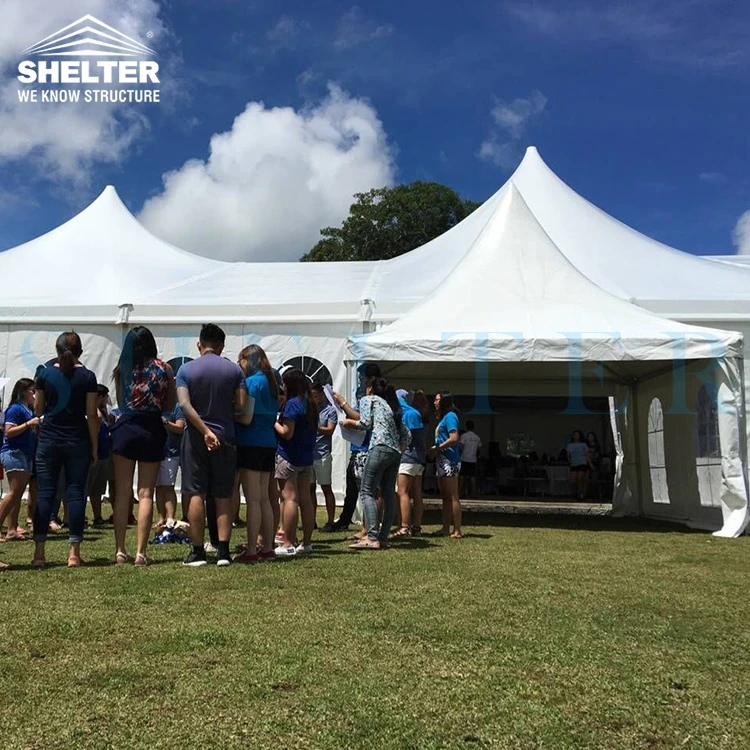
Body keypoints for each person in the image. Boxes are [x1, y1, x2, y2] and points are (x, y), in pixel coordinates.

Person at [177, 324, 246, 567]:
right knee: (224, 493)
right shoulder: (234, 370)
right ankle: (223, 551)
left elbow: (184, 405)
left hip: (196, 437)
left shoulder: (186, 370)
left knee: (196, 492)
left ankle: (197, 551)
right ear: (222, 346)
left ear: (199, 344)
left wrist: (204, 430)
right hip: (225, 435)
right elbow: (240, 405)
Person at [110, 327, 176, 567]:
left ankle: (119, 550)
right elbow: (169, 404)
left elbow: (119, 402)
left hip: (126, 427)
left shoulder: (122, 369)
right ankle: (140, 552)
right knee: (146, 492)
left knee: (123, 491)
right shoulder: (164, 368)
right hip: (151, 429)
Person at [33, 332, 99, 568]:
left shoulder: (45, 374)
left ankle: (39, 552)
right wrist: (94, 445)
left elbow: (38, 410)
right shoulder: (88, 377)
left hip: (49, 439)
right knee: (75, 494)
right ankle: (73, 552)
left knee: (45, 494)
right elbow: (92, 415)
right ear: (81, 351)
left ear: (57, 350)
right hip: (77, 439)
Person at [338, 377, 410, 550]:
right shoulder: (390, 406)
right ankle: (383, 537)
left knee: (366, 491)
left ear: (369, 388)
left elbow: (365, 423)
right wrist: (398, 447)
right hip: (394, 451)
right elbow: (407, 435)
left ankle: (371, 537)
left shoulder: (368, 400)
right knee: (388, 493)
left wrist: (349, 422)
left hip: (379, 447)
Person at [233, 344, 278, 563]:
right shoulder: (272, 382)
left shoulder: (251, 383)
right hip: (268, 443)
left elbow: (247, 417)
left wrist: (232, 415)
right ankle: (267, 547)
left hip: (250, 443)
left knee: (252, 500)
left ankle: (251, 549)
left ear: (246, 359)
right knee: (265, 499)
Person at [274, 368, 318, 557]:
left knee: (289, 499)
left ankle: (288, 542)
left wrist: (272, 422)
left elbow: (286, 432)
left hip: (289, 456)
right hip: (306, 457)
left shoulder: (292, 404)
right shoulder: (311, 404)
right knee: (305, 500)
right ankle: (307, 542)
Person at [331, 363, 380, 531]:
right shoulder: (364, 395)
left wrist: (343, 403)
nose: (360, 381)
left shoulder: (373, 397)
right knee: (353, 489)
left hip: (366, 449)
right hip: (358, 448)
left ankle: (369, 528)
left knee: (367, 492)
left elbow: (362, 419)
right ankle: (346, 520)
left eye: (363, 378)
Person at [0, 379, 38, 556]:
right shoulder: (15, 409)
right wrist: (28, 424)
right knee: (14, 492)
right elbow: (9, 431)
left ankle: (11, 528)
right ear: (23, 391)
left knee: (17, 492)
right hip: (15, 452)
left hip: (24, 453)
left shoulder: (27, 409)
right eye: (32, 390)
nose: (35, 393)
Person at [392, 389, 427, 538]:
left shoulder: (406, 414)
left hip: (407, 458)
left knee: (402, 492)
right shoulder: (415, 413)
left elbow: (405, 437)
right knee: (417, 494)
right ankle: (416, 527)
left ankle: (404, 527)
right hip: (419, 459)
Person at [428, 392, 462, 538]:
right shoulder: (444, 417)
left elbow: (454, 438)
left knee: (453, 495)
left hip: (450, 460)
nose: (435, 402)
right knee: (445, 496)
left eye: (437, 400)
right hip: (442, 460)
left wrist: (438, 448)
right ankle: (445, 527)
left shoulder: (450, 417)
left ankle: (457, 530)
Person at [310, 384, 338, 532]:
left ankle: (330, 521)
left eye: (316, 395)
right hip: (309, 453)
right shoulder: (310, 410)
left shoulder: (330, 410)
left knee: (326, 487)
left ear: (321, 394)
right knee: (310, 489)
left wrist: (315, 427)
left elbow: (330, 430)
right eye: (311, 396)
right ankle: (311, 520)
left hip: (322, 454)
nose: (314, 398)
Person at [155, 404, 186, 530]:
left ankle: (171, 517)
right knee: (158, 487)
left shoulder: (177, 407)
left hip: (171, 453)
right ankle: (161, 518)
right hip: (155, 452)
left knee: (168, 486)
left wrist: (165, 422)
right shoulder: (154, 407)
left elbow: (180, 427)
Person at [86, 384, 113, 527]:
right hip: (93, 454)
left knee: (98, 489)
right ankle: (80, 516)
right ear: (100, 397)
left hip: (104, 454)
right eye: (105, 397)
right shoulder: (92, 412)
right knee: (87, 486)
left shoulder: (104, 412)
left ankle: (97, 516)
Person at [459, 420, 482, 499]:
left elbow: (461, 447)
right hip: (473, 459)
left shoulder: (464, 436)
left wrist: (459, 454)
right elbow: (479, 449)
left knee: (462, 476)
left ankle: (459, 493)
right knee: (472, 477)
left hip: (464, 458)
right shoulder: (477, 437)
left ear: (466, 426)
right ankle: (473, 494)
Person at [567, 430, 590, 500]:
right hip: (574, 463)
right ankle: (576, 493)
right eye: (575, 435)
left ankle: (580, 495)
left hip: (582, 463)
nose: (576, 436)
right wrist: (570, 462)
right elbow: (568, 455)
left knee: (579, 479)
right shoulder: (570, 445)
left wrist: (589, 463)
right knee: (573, 480)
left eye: (577, 435)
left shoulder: (583, 445)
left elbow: (587, 455)